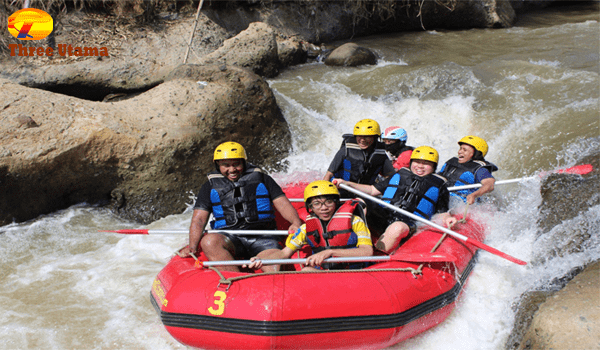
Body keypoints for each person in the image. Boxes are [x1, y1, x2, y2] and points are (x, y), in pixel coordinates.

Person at [178, 141, 302, 272]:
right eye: (226, 165)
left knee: (273, 268)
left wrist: (295, 222)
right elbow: (199, 219)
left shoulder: (263, 179)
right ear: (218, 165)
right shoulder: (209, 186)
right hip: (229, 237)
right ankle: (235, 282)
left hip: (263, 237)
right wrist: (192, 246)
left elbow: (282, 203)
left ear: (244, 162)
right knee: (208, 242)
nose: (232, 170)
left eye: (236, 164)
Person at [333, 146, 456, 254]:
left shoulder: (439, 185)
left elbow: (442, 212)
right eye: (417, 162)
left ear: (434, 167)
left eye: (426, 163)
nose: (420, 166)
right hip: (385, 214)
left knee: (397, 227)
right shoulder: (399, 175)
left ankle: (376, 257)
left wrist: (448, 218)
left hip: (408, 222)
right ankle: (343, 240)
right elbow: (372, 190)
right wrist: (347, 183)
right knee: (359, 202)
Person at [249, 180, 373, 271]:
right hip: (325, 274)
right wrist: (262, 260)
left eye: (329, 202)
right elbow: (284, 254)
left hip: (355, 273)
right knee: (306, 271)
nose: (324, 208)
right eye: (317, 204)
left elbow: (367, 252)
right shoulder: (305, 228)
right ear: (310, 207)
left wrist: (330, 252)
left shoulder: (355, 221)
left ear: (336, 203)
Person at [323, 119, 395, 197]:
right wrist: (325, 193)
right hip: (342, 190)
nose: (362, 140)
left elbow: (390, 176)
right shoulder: (346, 150)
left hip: (365, 192)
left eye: (367, 137)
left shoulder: (381, 154)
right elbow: (329, 174)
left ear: (375, 137)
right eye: (359, 136)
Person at [438, 135, 498, 205]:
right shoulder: (452, 162)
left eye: (465, 150)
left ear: (476, 154)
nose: (460, 152)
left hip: (460, 205)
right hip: (442, 199)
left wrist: (474, 195)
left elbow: (489, 185)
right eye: (460, 148)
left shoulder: (480, 170)